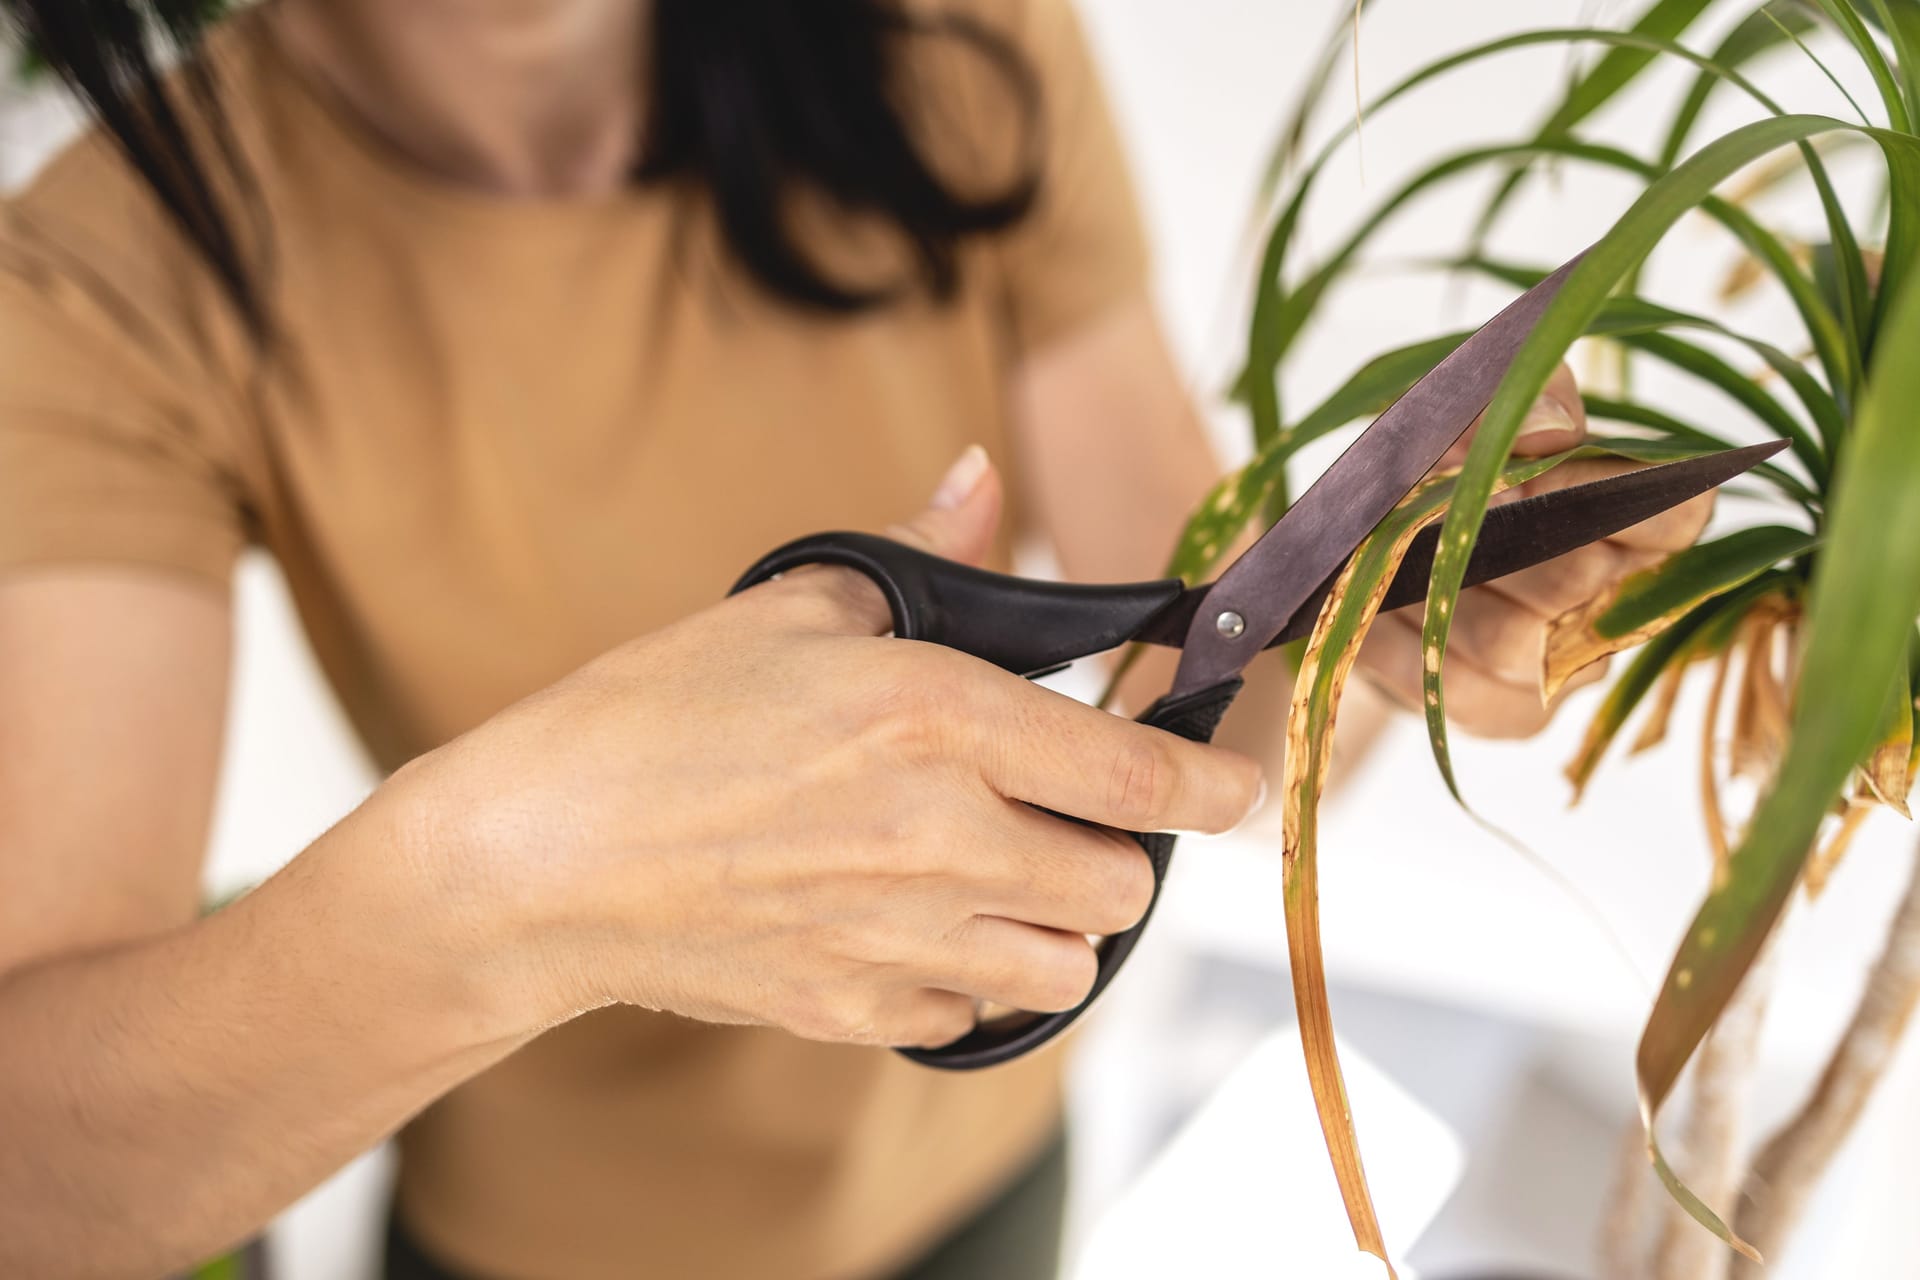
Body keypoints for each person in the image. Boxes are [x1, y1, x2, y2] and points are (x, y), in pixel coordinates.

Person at [0, 2, 1709, 1277]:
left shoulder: (957, 44)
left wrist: (1367, 633)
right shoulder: (96, 281)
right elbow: (41, 1186)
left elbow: (1214, 718)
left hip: (986, 1186)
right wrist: (517, 881)